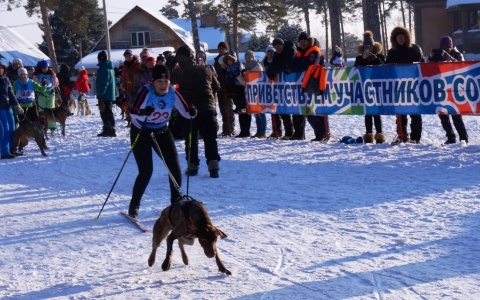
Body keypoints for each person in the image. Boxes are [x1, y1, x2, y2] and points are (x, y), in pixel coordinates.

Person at [127, 65, 196, 218]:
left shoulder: (172, 93)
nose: (163, 85)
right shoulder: (146, 91)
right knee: (146, 171)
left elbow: (186, 112)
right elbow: (133, 113)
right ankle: (134, 205)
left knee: (175, 169)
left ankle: (176, 205)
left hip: (161, 131)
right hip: (141, 132)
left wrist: (192, 112)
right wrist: (143, 112)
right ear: (152, 82)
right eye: (159, 81)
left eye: (166, 81)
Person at [171, 45, 221, 178]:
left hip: (190, 109)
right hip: (208, 107)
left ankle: (192, 165)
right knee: (210, 138)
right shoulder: (206, 68)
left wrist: (171, 64)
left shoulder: (180, 72)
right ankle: (213, 163)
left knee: (191, 139)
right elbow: (217, 87)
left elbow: (167, 78)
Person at [386, 26, 425, 144]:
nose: (400, 38)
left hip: (414, 85)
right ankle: (402, 135)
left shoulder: (414, 49)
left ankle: (415, 138)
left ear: (406, 37)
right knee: (400, 113)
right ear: (394, 38)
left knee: (415, 113)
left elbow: (422, 65)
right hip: (398, 86)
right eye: (398, 37)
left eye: (402, 36)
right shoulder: (392, 52)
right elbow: (387, 68)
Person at [428, 36, 468, 144]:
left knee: (456, 115)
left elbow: (461, 66)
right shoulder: (438, 54)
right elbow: (429, 67)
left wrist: (447, 57)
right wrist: (431, 58)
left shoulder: (457, 54)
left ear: (450, 46)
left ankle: (463, 138)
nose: (444, 49)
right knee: (443, 115)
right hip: (441, 87)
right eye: (442, 47)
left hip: (454, 89)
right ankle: (450, 137)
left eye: (446, 47)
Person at [354, 31, 387, 144]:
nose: (369, 48)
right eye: (367, 46)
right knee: (367, 112)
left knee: (376, 112)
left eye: (371, 46)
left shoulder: (380, 56)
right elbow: (355, 70)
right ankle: (368, 134)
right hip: (364, 88)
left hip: (377, 88)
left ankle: (379, 133)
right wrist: (363, 59)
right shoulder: (359, 58)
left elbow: (384, 67)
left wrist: (374, 59)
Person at [292, 32, 324, 141]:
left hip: (315, 84)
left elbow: (309, 65)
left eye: (304, 41)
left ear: (308, 41)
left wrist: (299, 65)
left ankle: (321, 134)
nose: (302, 43)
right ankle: (299, 134)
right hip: (305, 85)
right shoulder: (300, 52)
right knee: (302, 111)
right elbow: (294, 66)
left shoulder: (314, 50)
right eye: (300, 41)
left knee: (314, 111)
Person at [266, 38, 295, 139]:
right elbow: (273, 67)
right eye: (275, 47)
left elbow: (287, 65)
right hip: (280, 87)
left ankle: (292, 132)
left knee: (294, 110)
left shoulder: (290, 51)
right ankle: (287, 132)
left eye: (279, 46)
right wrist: (270, 72)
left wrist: (278, 68)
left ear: (283, 45)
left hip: (292, 86)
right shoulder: (277, 56)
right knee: (282, 109)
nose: (277, 48)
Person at [223, 52, 251, 138]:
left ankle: (246, 131)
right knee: (240, 111)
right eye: (227, 60)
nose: (229, 61)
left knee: (244, 110)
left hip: (241, 88)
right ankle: (243, 130)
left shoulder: (239, 65)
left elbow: (243, 75)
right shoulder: (228, 68)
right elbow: (228, 78)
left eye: (230, 59)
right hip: (235, 89)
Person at [0, 62, 23, 159]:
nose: (0, 70)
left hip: (8, 106)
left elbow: (11, 93)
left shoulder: (6, 79)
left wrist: (16, 105)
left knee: (12, 128)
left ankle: (12, 149)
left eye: (1, 68)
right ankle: (4, 151)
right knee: (4, 129)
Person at [242, 50, 266, 138]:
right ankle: (258, 131)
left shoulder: (257, 66)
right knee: (256, 112)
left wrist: (247, 73)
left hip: (259, 89)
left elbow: (259, 77)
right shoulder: (246, 66)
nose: (247, 59)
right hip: (251, 91)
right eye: (246, 58)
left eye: (249, 57)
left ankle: (262, 131)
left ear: (253, 57)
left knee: (261, 112)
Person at [213, 42, 235, 137]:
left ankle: (231, 127)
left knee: (228, 108)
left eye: (222, 48)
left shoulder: (229, 59)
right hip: (220, 87)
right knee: (222, 109)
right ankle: (225, 128)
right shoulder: (216, 60)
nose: (221, 50)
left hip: (228, 86)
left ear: (226, 49)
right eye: (219, 48)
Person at [95, 50, 117, 137]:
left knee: (105, 112)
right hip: (109, 94)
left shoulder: (104, 69)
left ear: (100, 59)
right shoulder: (109, 68)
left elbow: (104, 83)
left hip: (105, 95)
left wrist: (100, 94)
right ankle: (109, 128)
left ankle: (109, 129)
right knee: (107, 111)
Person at [33, 59, 58, 134]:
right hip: (41, 93)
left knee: (51, 110)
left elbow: (56, 83)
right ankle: (43, 126)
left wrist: (54, 76)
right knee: (42, 110)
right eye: (43, 68)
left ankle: (52, 126)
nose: (45, 69)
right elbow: (35, 83)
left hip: (50, 93)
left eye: (46, 68)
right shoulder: (37, 74)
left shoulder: (51, 73)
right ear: (40, 68)